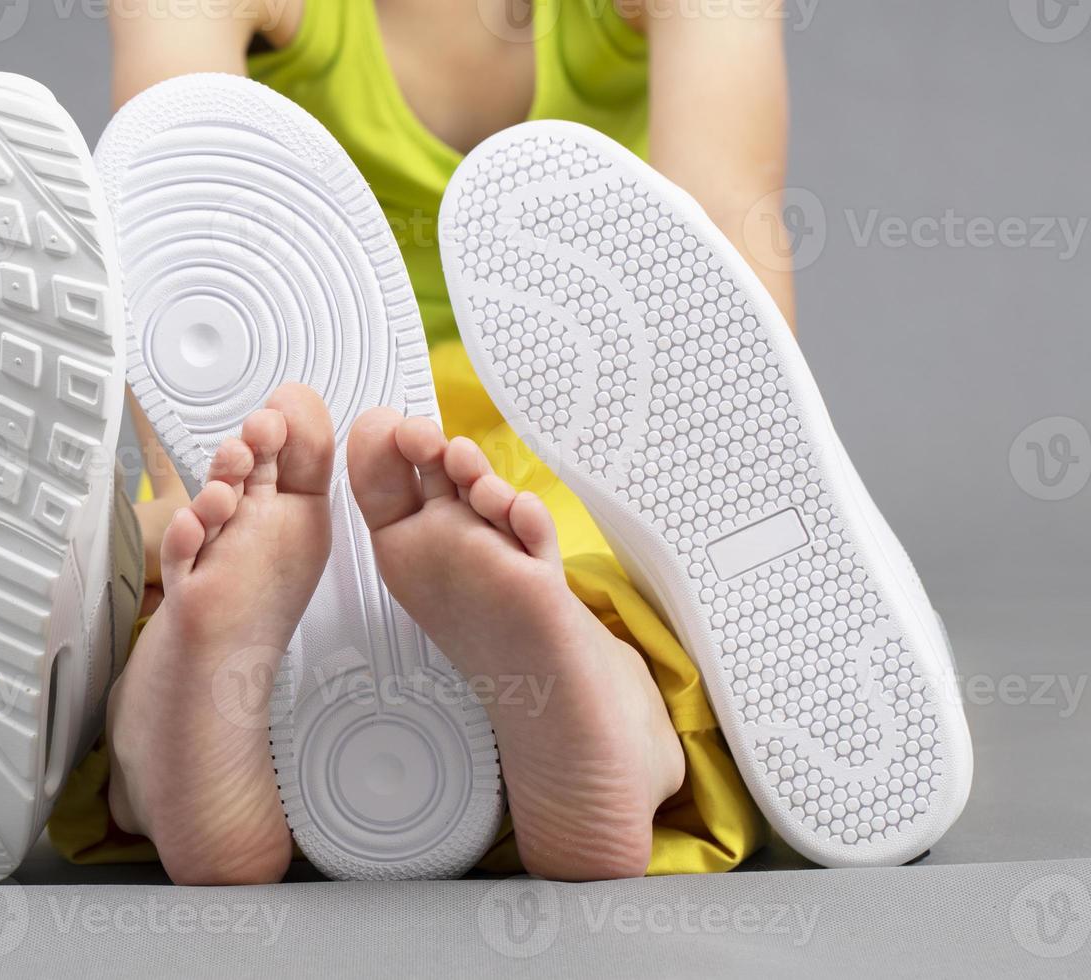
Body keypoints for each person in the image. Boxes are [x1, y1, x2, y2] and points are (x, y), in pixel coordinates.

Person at [49, 0, 793, 882]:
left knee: (194, 565)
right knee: (613, 591)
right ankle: (624, 731)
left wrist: (186, 496)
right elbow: (728, 241)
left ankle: (163, 741)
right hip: (437, 462)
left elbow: (175, 251)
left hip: (347, 450)